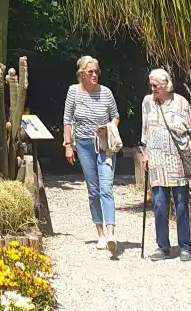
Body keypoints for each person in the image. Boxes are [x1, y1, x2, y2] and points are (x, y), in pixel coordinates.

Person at [140, 67, 191, 262]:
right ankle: (162, 246)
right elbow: (145, 130)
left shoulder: (181, 103)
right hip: (157, 161)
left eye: (156, 86)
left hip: (177, 160)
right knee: (159, 205)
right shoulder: (147, 102)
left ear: (166, 85)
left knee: (181, 205)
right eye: (151, 85)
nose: (152, 89)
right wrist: (145, 153)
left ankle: (185, 246)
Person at [63, 55, 121, 255]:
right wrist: (68, 145)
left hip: (104, 145)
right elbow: (67, 119)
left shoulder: (106, 93)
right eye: (91, 72)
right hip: (85, 145)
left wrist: (109, 127)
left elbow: (116, 116)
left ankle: (111, 232)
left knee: (106, 187)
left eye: (97, 71)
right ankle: (100, 233)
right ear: (82, 75)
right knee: (93, 189)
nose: (95, 75)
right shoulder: (73, 92)